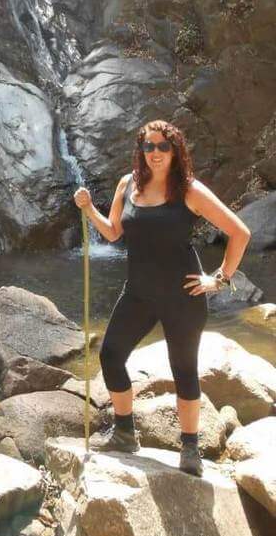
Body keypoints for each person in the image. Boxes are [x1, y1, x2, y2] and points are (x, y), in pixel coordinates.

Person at [73, 119, 251, 477]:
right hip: (138, 292)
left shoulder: (188, 190)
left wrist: (219, 278)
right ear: (141, 150)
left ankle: (190, 448)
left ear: (175, 150)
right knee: (110, 355)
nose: (155, 153)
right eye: (148, 146)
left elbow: (240, 232)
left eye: (162, 147)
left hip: (182, 294)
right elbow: (112, 233)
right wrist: (89, 208)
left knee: (183, 368)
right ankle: (125, 433)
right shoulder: (128, 184)